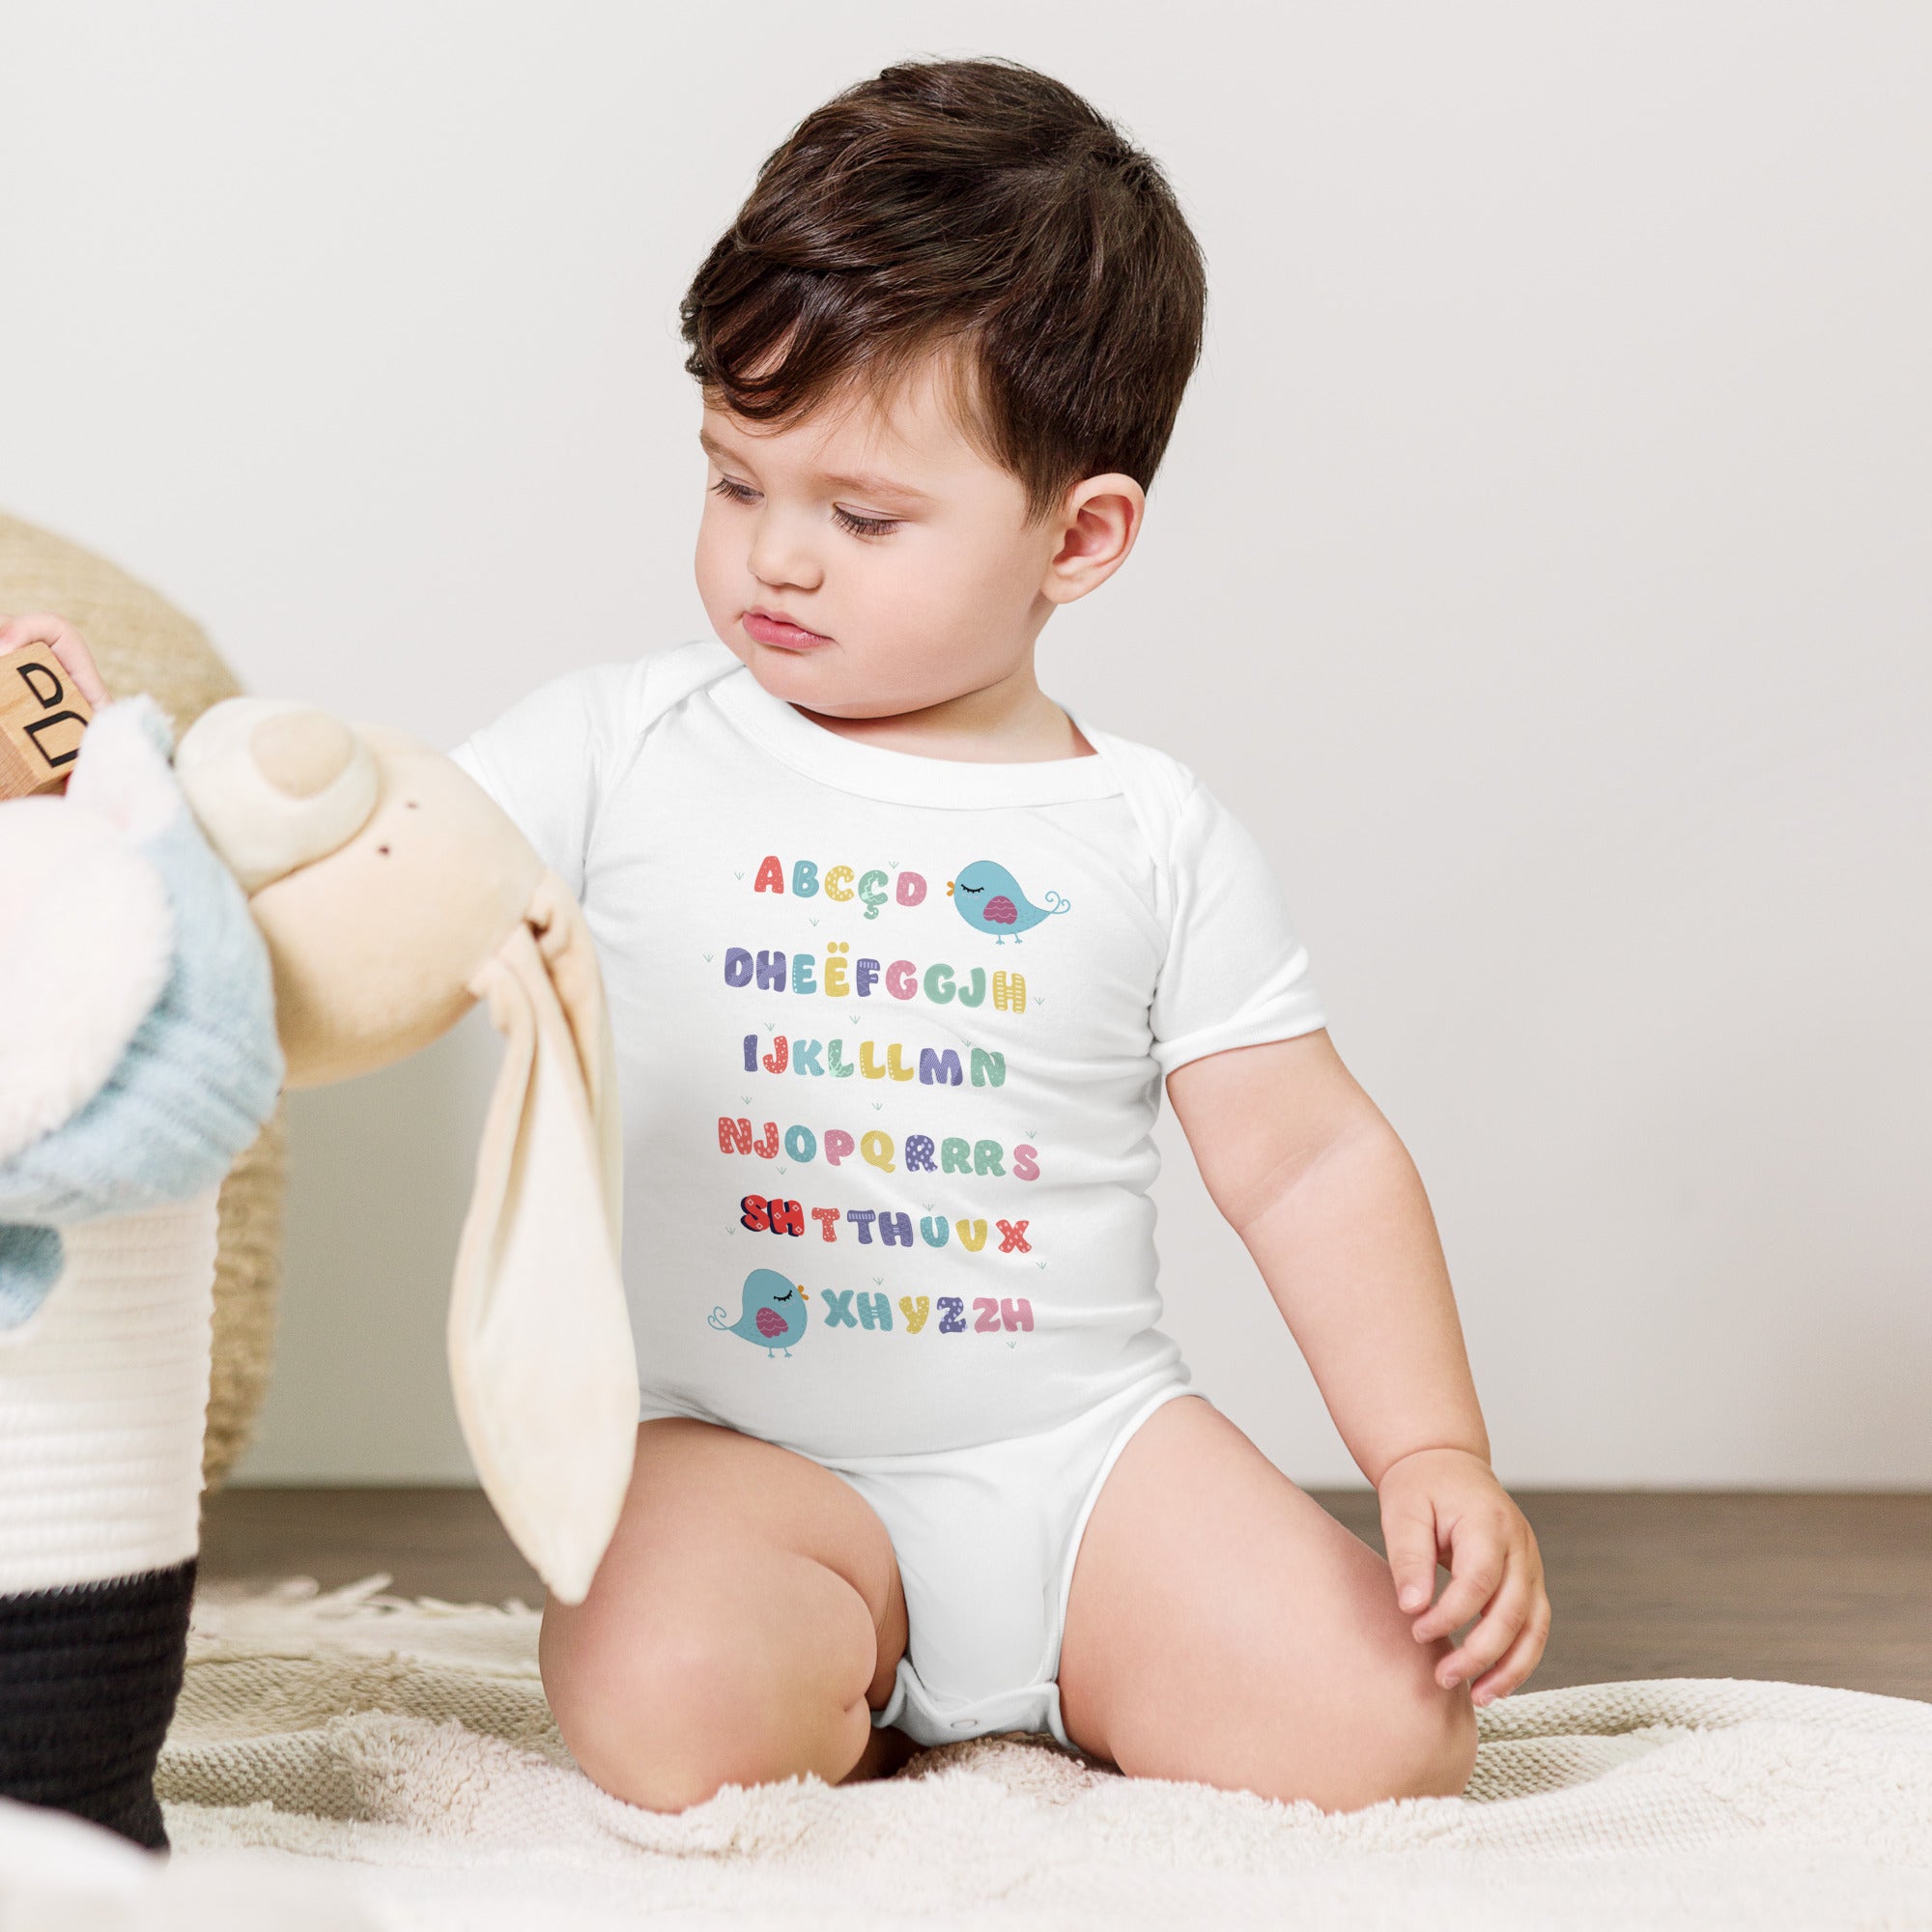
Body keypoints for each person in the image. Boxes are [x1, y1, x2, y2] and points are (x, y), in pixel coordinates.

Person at [5, 53, 1549, 1818]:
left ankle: (1046, 1672)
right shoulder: (621, 748)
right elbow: (382, 878)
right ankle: (845, 1679)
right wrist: (127, 828)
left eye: (863, 516)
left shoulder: (1149, 833)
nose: (776, 560)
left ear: (1082, 536)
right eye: (737, 483)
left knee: (1391, 1736)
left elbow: (1308, 1163)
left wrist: (1428, 1447)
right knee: (664, 1705)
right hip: (743, 1456)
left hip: (1082, 1461)